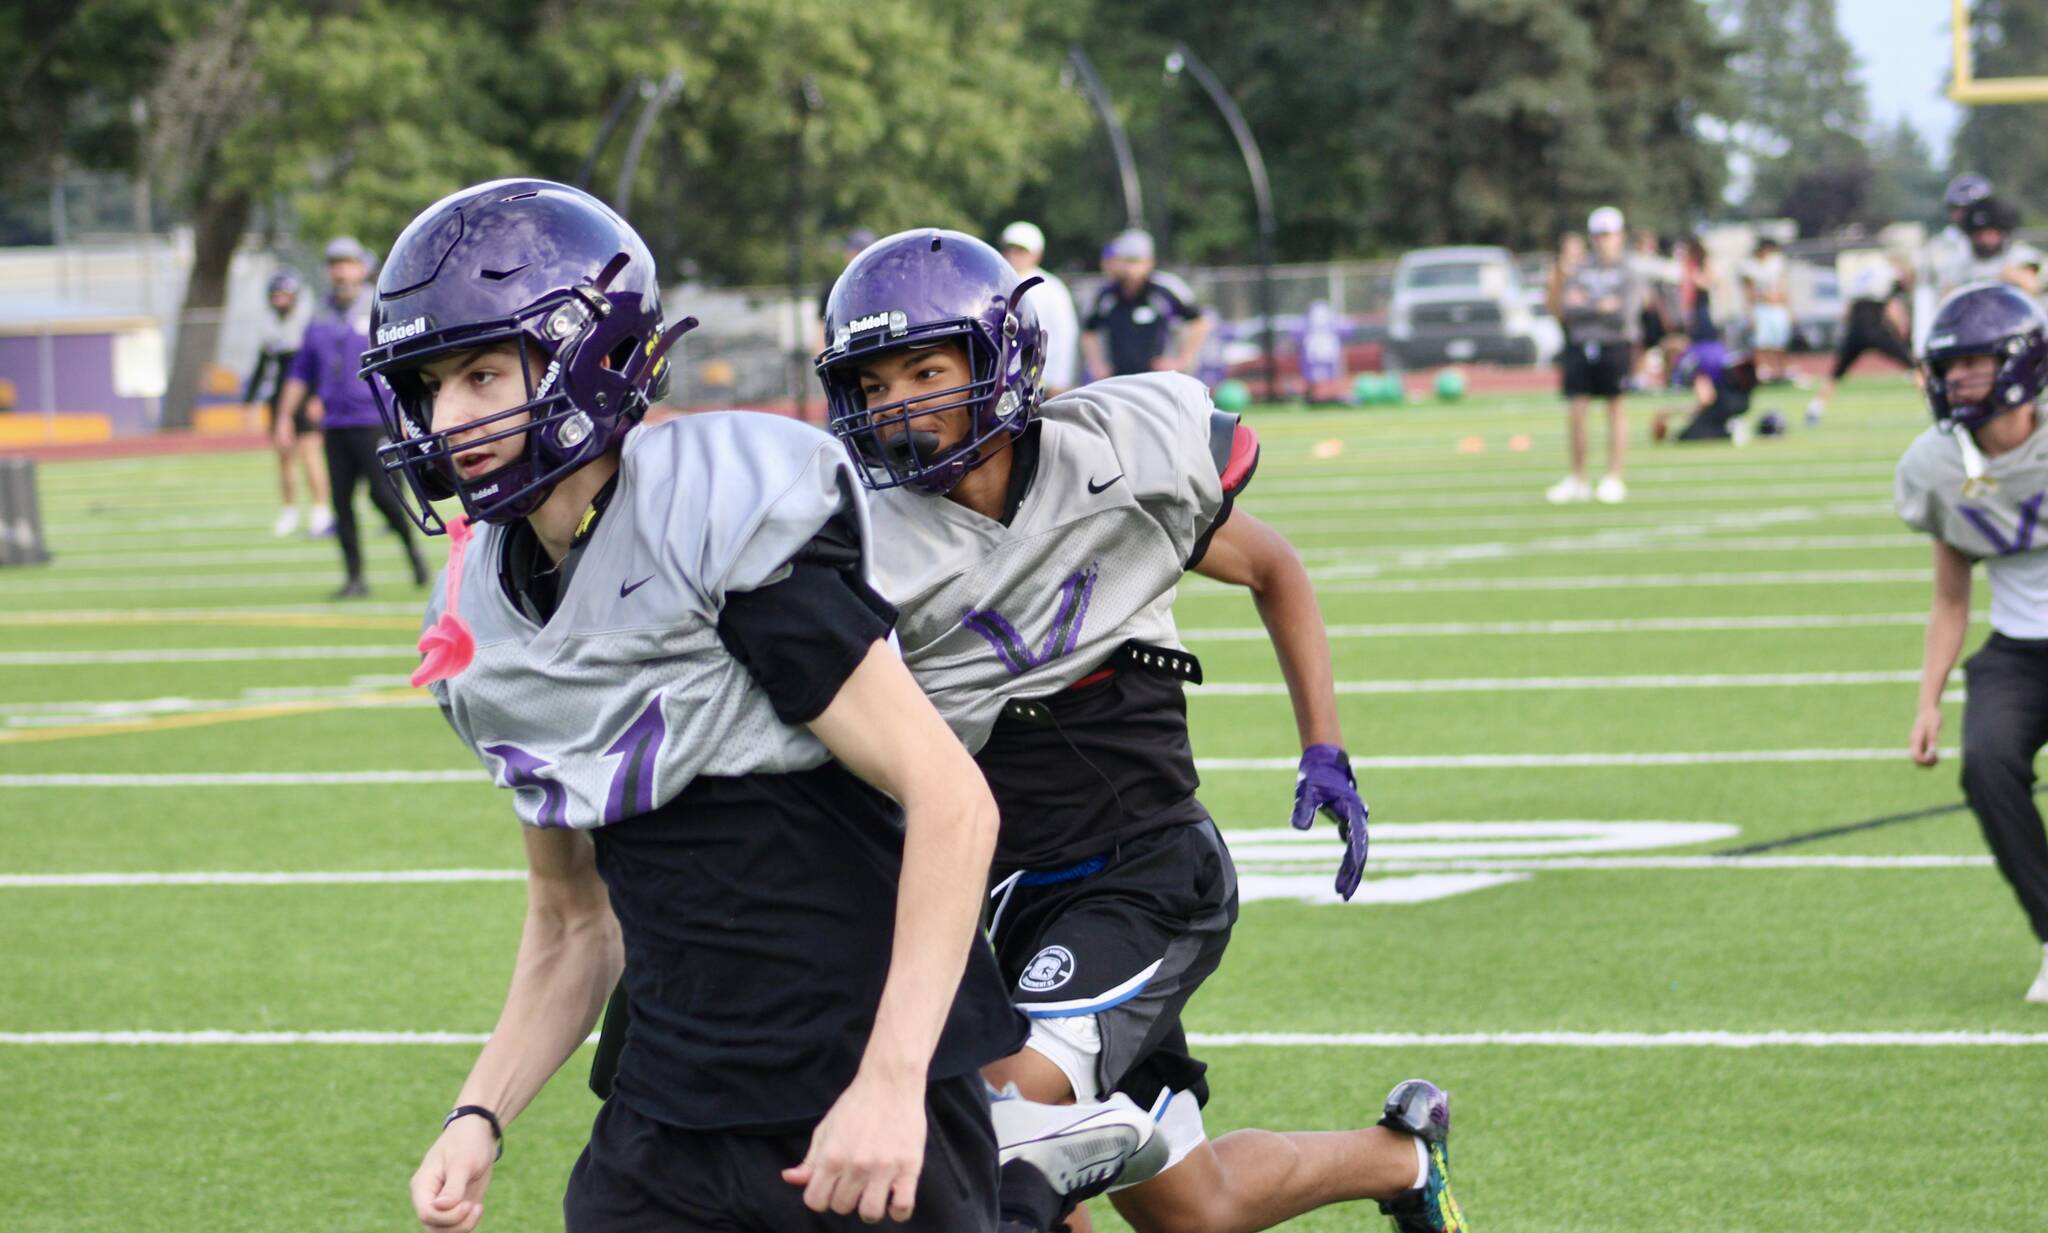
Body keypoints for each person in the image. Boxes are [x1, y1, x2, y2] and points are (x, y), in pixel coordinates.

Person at [812, 228, 1466, 1233]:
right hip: (994, 895)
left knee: (993, 1123)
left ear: (997, 361)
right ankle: (1398, 1155)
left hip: (1143, 870)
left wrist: (1323, 749)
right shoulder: (860, 532)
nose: (898, 402)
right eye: (875, 380)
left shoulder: (1115, 459)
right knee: (1187, 1209)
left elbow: (1273, 569)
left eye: (927, 368)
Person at [1896, 282, 2048, 1008]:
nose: (1957, 382)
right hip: (2019, 651)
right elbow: (1951, 595)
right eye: (1948, 368)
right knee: (1986, 762)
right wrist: (1927, 700)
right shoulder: (1937, 466)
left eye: (1975, 366)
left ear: (2019, 365)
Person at [276, 235, 428, 598]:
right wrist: (284, 416)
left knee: (383, 495)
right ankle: (355, 577)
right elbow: (301, 370)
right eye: (335, 265)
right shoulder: (320, 317)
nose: (340, 271)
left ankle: (412, 553)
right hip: (335, 424)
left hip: (373, 420)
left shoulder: (382, 309)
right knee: (340, 503)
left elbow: (404, 361)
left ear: (361, 268)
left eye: (347, 263)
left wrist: (410, 411)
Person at [1547, 205, 1643, 505]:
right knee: (1576, 410)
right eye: (1599, 235)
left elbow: (1623, 314)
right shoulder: (1581, 269)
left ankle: (1614, 477)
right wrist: (1599, 306)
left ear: (1620, 235)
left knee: (1616, 408)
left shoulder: (1629, 270)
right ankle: (1578, 479)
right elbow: (1568, 310)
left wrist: (1589, 305)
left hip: (1615, 344)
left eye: (1609, 234)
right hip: (1580, 345)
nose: (1604, 240)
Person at [245, 268, 332, 537]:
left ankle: (321, 513)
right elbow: (262, 366)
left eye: (285, 294)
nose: (280, 299)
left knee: (310, 456)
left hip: (306, 397)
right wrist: (248, 401)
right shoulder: (269, 326)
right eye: (276, 295)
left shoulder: (308, 324)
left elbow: (319, 365)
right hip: (278, 399)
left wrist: (319, 396)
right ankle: (289, 512)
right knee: (284, 457)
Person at [1081, 229, 1211, 381]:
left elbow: (1200, 322)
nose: (1130, 269)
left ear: (1149, 262)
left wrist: (1181, 361)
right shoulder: (1106, 294)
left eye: (1135, 261)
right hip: (1117, 379)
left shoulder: (1165, 289)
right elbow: (1089, 331)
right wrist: (1097, 365)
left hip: (1159, 378)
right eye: (1125, 261)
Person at [1806, 254, 1914, 425]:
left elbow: (1847, 311)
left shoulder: (1859, 278)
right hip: (1876, 327)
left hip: (1855, 330)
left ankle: (1814, 410)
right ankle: (1934, 404)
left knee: (1835, 374)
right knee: (1913, 367)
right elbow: (1893, 307)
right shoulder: (1889, 274)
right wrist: (1902, 329)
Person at [1913, 173, 1993, 357]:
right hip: (1955, 331)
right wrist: (1921, 349)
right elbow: (1925, 298)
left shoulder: (2004, 245)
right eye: (1957, 208)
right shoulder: (1938, 249)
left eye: (1968, 208)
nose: (1962, 215)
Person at [999, 221, 1081, 394]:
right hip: (1003, 380)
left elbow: (1066, 335)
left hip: (1042, 381)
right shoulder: (996, 283)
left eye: (1021, 251)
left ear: (1036, 255)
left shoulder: (1051, 288)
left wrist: (1060, 380)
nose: (1013, 255)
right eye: (1010, 249)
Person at [1649, 341, 1762, 444]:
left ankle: (1730, 430)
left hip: (1728, 398)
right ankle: (1729, 425)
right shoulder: (1701, 350)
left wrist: (1671, 412)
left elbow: (1706, 399)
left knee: (1687, 437)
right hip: (1741, 394)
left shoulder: (1688, 361)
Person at [1740, 237, 1791, 383]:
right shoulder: (1750, 266)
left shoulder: (1777, 263)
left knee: (1780, 341)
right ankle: (1762, 370)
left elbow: (1783, 288)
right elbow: (1749, 292)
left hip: (1777, 307)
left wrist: (1788, 308)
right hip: (1761, 308)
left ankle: (1782, 371)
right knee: (1762, 343)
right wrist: (1749, 313)